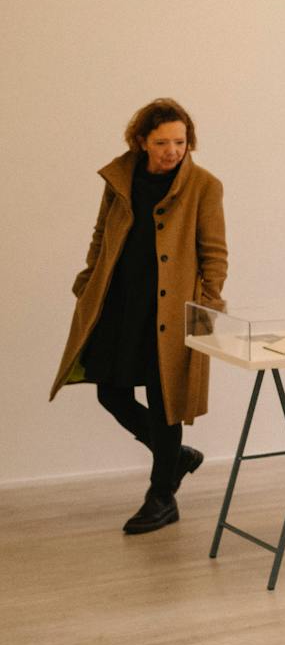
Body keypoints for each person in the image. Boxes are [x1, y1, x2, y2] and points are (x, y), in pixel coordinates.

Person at [53, 99, 228, 534]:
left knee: (165, 401)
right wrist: (87, 282)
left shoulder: (204, 186)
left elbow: (214, 254)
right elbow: (101, 235)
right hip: (120, 303)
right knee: (109, 391)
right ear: (142, 142)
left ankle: (161, 496)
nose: (173, 151)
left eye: (180, 142)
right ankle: (176, 457)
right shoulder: (120, 179)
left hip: (171, 309)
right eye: (163, 142)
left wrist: (207, 306)